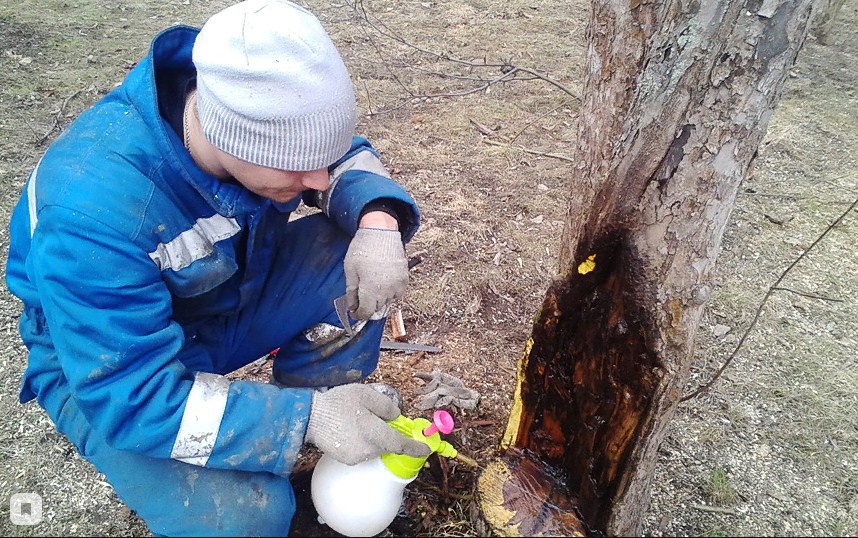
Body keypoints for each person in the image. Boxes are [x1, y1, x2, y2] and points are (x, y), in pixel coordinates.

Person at [4, 1, 432, 535]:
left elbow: (337, 156)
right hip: (107, 367)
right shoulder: (91, 213)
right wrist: (303, 420)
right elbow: (132, 396)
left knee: (343, 252)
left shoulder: (263, 112)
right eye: (299, 166)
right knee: (249, 516)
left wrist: (378, 219)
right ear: (234, 139)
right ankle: (310, 426)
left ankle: (328, 424)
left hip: (223, 301)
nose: (320, 179)